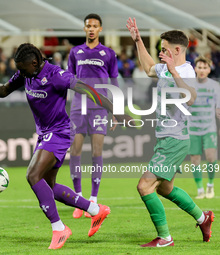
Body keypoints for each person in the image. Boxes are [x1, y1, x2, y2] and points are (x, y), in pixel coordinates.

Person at [0, 43, 131, 249]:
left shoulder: (58, 75)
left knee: (32, 175)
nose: (21, 73)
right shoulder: (26, 73)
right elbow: (4, 91)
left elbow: (89, 91)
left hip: (60, 132)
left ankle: (59, 228)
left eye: (23, 68)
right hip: (44, 134)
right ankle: (95, 210)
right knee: (48, 187)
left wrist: (115, 110)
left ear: (34, 63)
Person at [127, 17, 214, 247]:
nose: (161, 53)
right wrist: (138, 41)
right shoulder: (166, 68)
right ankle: (202, 217)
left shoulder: (184, 70)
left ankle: (165, 237)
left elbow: (192, 97)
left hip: (174, 140)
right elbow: (147, 68)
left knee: (144, 186)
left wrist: (174, 71)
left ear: (177, 49)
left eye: (164, 49)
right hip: (167, 138)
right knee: (165, 188)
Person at [67, 14, 119, 219]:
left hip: (99, 108)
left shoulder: (108, 54)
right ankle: (78, 200)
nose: (91, 29)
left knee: (97, 152)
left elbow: (114, 83)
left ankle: (94, 199)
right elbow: (68, 80)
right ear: (84, 28)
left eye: (94, 26)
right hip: (78, 107)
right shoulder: (75, 52)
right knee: (75, 150)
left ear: (100, 29)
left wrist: (115, 110)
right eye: (88, 26)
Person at [188, 56, 220, 199]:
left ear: (209, 69)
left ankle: (210, 185)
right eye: (199, 67)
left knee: (211, 158)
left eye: (204, 68)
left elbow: (218, 108)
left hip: (209, 128)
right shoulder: (189, 85)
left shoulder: (214, 86)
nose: (201, 70)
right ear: (195, 69)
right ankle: (200, 189)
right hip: (192, 128)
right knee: (195, 159)